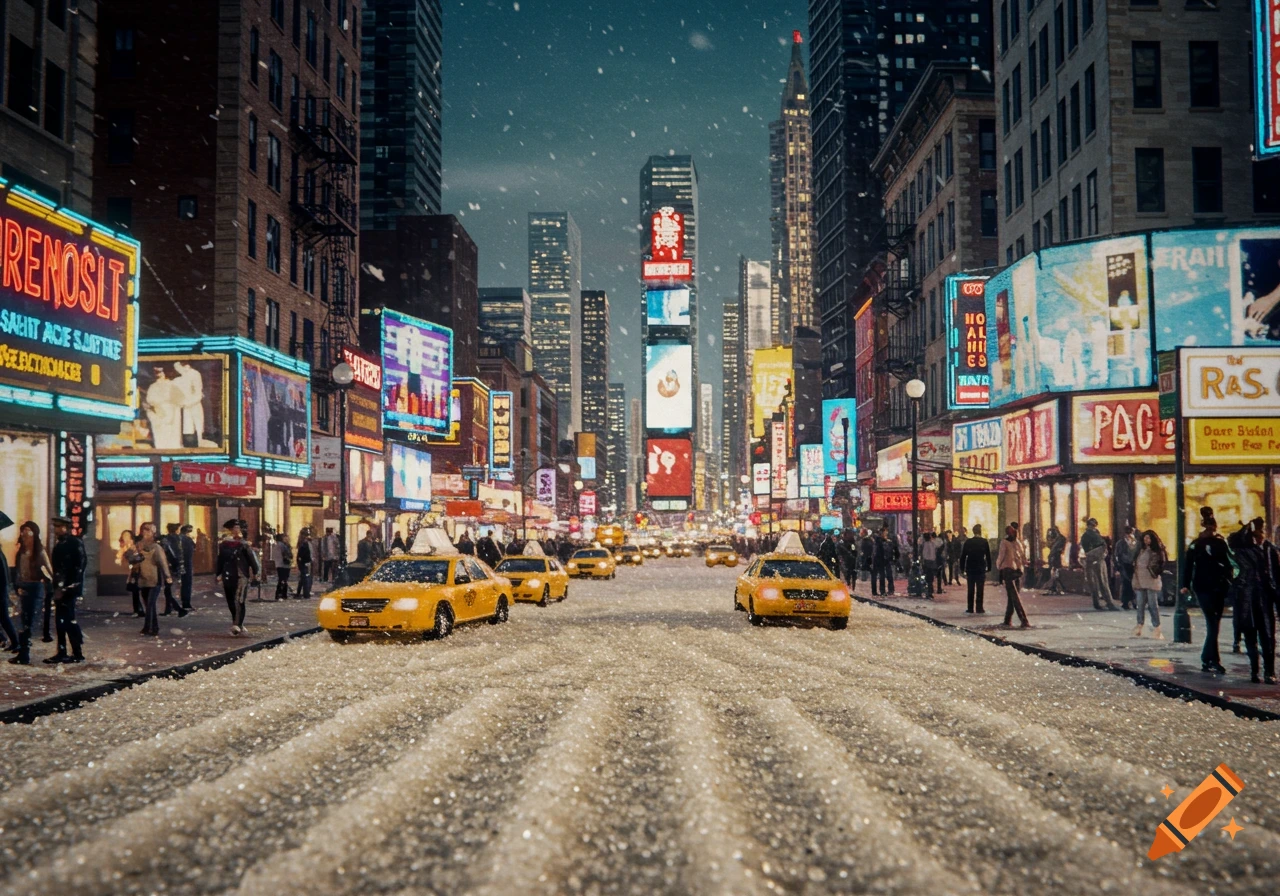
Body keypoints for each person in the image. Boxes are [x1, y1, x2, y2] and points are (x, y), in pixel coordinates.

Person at [1182, 507, 1234, 674]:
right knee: (1213, 623)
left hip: (1208, 586)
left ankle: (1209, 659)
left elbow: (1227, 564)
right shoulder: (1205, 544)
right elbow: (1227, 565)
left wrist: (1185, 584)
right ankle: (1210, 659)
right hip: (1210, 586)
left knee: (1213, 623)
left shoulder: (1200, 544)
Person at [1228, 522, 1273, 684]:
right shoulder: (1256, 553)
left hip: (1248, 602)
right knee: (1265, 637)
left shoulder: (1237, 554)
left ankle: (1256, 671)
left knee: (1252, 638)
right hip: (1259, 600)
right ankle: (1267, 672)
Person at [9, 520, 53, 664]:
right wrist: (17, 585)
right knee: (24, 620)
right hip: (24, 587)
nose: (25, 534)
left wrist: (46, 580)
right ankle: (23, 652)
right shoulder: (21, 552)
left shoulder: (39, 551)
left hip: (36, 587)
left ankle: (24, 652)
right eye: (23, 531)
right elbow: (18, 571)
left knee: (30, 621)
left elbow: (48, 569)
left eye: (28, 531)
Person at [46, 517, 87, 664]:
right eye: (55, 526)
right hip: (61, 587)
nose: (56, 529)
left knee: (68, 619)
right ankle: (63, 650)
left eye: (59, 526)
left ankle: (76, 651)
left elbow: (80, 565)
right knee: (60, 620)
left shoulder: (74, 542)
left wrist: (69, 586)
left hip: (69, 588)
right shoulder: (59, 544)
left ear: (66, 527)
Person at [216, 519, 260, 636]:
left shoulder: (244, 545)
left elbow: (251, 559)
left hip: (241, 575)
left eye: (237, 528)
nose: (235, 531)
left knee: (239, 600)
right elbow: (220, 560)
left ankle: (237, 624)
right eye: (233, 529)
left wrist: (256, 572)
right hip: (228, 575)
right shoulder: (224, 545)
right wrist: (218, 573)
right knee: (230, 600)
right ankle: (237, 623)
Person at [136, 522, 173, 637]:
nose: (147, 533)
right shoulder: (138, 545)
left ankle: (148, 627)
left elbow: (163, 562)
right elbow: (134, 561)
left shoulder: (156, 547)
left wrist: (167, 576)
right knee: (148, 604)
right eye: (145, 530)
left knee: (151, 604)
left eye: (149, 531)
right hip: (143, 578)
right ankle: (154, 627)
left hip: (154, 578)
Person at [1253, 518, 1279, 684]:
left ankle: (1268, 669)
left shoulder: (1270, 550)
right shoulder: (1248, 550)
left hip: (1267, 597)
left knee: (1267, 635)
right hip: (1255, 597)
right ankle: (1256, 670)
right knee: (1254, 635)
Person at [1131, 530, 1167, 639]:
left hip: (1151, 579)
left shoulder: (1156, 551)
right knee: (1140, 604)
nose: (1146, 540)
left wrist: (1154, 572)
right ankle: (1139, 625)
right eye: (1145, 538)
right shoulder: (1140, 550)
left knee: (1152, 605)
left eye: (1149, 538)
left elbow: (1159, 564)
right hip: (1140, 579)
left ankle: (1156, 627)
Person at [996, 523, 1030, 628]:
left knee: (1014, 596)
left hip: (1007, 570)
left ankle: (1024, 620)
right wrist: (1024, 563)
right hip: (1018, 570)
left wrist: (998, 566)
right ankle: (1007, 620)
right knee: (1012, 595)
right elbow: (1022, 556)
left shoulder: (1004, 542)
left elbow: (1001, 556)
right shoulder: (1017, 542)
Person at [1080, 518, 1118, 611]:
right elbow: (1101, 545)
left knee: (1094, 582)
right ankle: (1109, 603)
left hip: (1092, 559)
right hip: (1097, 559)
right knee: (1102, 581)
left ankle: (1097, 602)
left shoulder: (1086, 535)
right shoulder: (1092, 535)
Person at [959, 524, 992, 614]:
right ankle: (979, 607)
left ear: (973, 532)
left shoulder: (968, 542)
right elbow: (988, 556)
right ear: (980, 531)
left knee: (971, 589)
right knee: (980, 589)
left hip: (970, 567)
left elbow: (963, 556)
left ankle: (970, 608)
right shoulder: (984, 542)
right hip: (980, 567)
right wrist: (989, 567)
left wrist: (962, 568)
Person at [0, 512, 19, 652]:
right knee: (3, 618)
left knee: (4, 618)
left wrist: (5, 590)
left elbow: (3, 575)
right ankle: (8, 640)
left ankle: (15, 642)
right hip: (2, 589)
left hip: (0, 590)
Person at [161, 523, 188, 617]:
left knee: (168, 589)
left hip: (171, 566)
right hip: (177, 566)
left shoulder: (167, 539)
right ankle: (169, 609)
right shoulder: (179, 539)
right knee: (169, 588)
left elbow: (169, 553)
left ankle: (178, 609)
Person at [1114, 526, 1137, 611]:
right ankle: (1126, 602)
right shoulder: (1120, 543)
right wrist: (1117, 567)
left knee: (1133, 584)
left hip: (1133, 565)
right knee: (1126, 583)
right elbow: (1117, 556)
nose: (1129, 535)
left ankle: (1133, 601)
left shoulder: (1135, 543)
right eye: (1128, 533)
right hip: (1124, 565)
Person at [872, 528, 896, 596]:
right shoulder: (878, 541)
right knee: (882, 576)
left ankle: (890, 589)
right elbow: (878, 551)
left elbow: (891, 550)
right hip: (881, 560)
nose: (885, 534)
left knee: (889, 575)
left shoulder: (888, 541)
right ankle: (883, 591)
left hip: (887, 560)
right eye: (884, 533)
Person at [1045, 525, 1067, 595]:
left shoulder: (1061, 539)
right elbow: (1049, 546)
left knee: (1055, 572)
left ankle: (1057, 587)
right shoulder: (1056, 539)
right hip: (1054, 557)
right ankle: (1055, 587)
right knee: (1054, 573)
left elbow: (1057, 549)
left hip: (1055, 557)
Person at [271, 533, 293, 601]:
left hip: (279, 564)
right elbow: (289, 555)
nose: (287, 539)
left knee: (282, 580)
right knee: (283, 580)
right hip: (284, 565)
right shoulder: (283, 545)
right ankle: (281, 595)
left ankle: (282, 594)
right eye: (286, 537)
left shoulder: (276, 545)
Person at [179, 524, 196, 610]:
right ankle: (186, 603)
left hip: (178, 564)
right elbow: (191, 551)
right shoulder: (188, 540)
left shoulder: (178, 538)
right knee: (187, 584)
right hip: (187, 563)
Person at [920, 532, 942, 598]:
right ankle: (930, 591)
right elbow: (940, 544)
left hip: (927, 562)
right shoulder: (932, 544)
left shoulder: (925, 544)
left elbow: (925, 554)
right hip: (932, 562)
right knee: (930, 578)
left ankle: (928, 592)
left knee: (927, 578)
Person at [295, 528, 314, 599]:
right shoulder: (304, 543)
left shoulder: (303, 542)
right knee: (306, 578)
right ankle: (306, 594)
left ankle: (299, 592)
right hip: (305, 562)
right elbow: (303, 554)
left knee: (303, 578)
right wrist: (307, 561)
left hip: (304, 562)